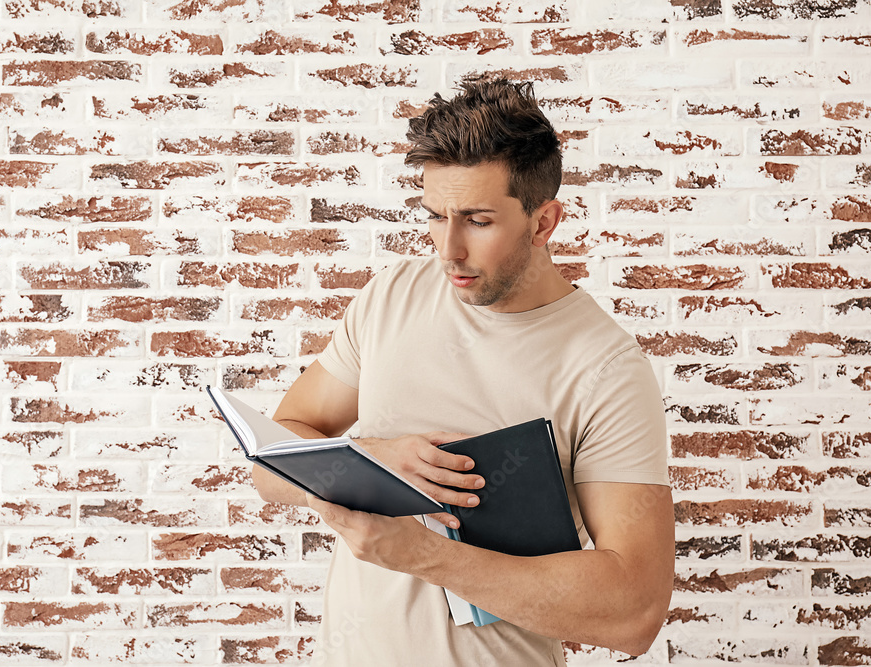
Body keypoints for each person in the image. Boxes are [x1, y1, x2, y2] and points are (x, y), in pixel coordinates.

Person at [251, 78, 674, 666]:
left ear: (543, 222)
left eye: (477, 220)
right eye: (435, 216)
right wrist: (370, 459)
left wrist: (421, 554)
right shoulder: (393, 295)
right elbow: (270, 468)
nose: (447, 249)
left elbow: (634, 614)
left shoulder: (605, 370)